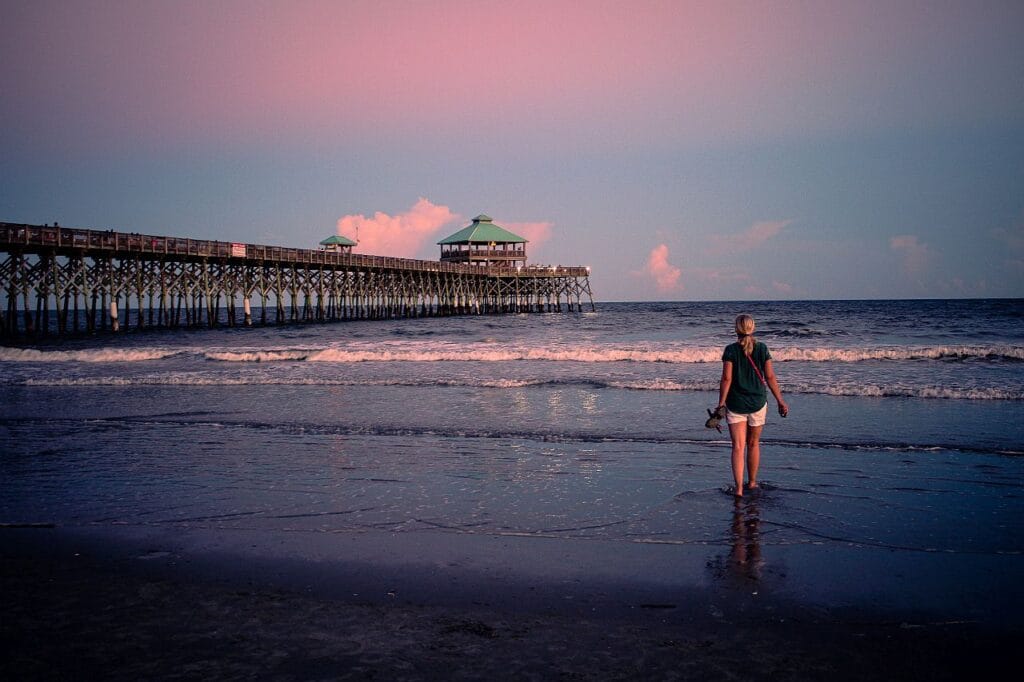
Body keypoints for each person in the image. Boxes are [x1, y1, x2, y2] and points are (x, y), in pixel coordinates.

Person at [716, 314, 788, 496]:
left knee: (738, 446)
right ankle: (752, 483)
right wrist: (780, 400)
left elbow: (726, 379)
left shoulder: (730, 350)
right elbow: (770, 377)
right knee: (754, 444)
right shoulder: (762, 348)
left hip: (735, 403)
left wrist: (721, 404)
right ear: (753, 328)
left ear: (736, 329)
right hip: (757, 402)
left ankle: (739, 489)